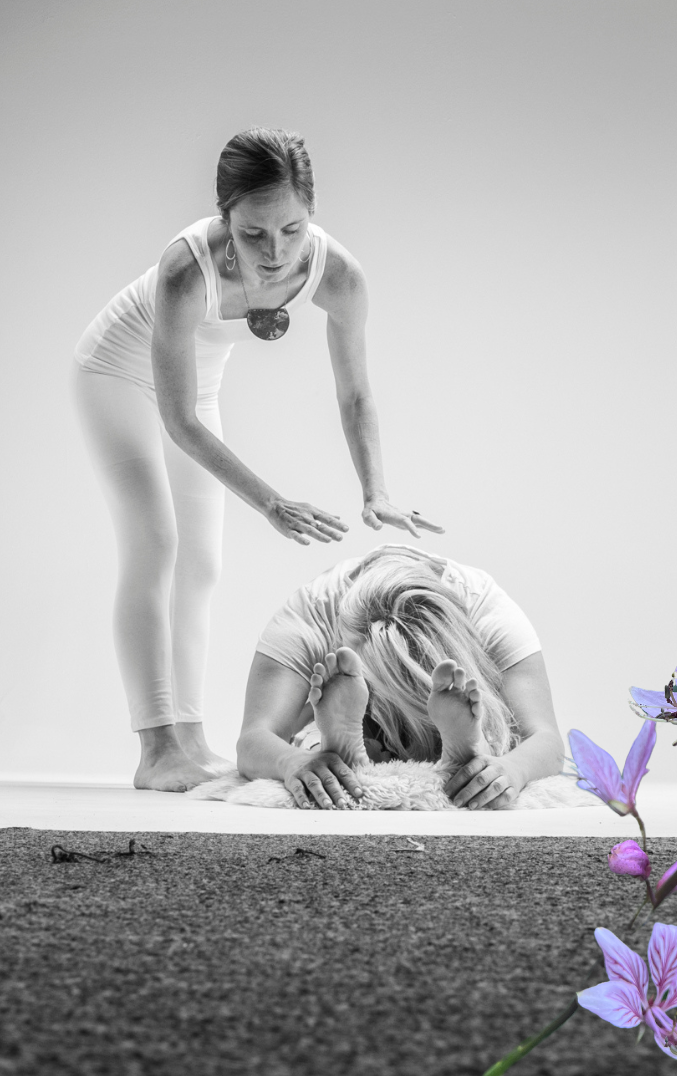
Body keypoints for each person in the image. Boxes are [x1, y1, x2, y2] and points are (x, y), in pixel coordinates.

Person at [73, 127, 441, 793]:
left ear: (312, 215)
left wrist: (376, 489)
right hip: (115, 375)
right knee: (155, 544)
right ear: (225, 221)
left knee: (203, 561)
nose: (275, 252)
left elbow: (356, 393)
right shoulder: (187, 270)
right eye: (252, 234)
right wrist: (271, 502)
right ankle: (157, 748)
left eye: (292, 229)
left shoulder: (339, 276)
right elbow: (178, 423)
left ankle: (189, 739)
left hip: (195, 383)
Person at [236, 545, 565, 810]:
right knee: (315, 745)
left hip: (440, 710)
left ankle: (463, 747)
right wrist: (293, 761)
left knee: (494, 748)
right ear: (341, 633)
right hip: (361, 712)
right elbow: (254, 739)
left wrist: (513, 769)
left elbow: (546, 739)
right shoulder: (311, 614)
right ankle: (339, 746)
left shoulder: (488, 611)